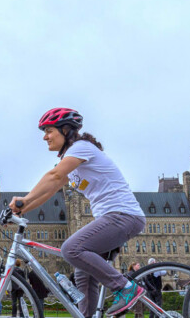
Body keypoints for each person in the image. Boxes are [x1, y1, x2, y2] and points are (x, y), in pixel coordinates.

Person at [9, 108, 147, 317]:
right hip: (112, 218)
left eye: (48, 130)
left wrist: (24, 200)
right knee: (83, 275)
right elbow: (52, 189)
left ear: (65, 130)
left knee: (71, 249)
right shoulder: (72, 164)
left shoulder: (82, 147)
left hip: (122, 215)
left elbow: (54, 176)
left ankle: (125, 288)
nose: (45, 136)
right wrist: (20, 210)